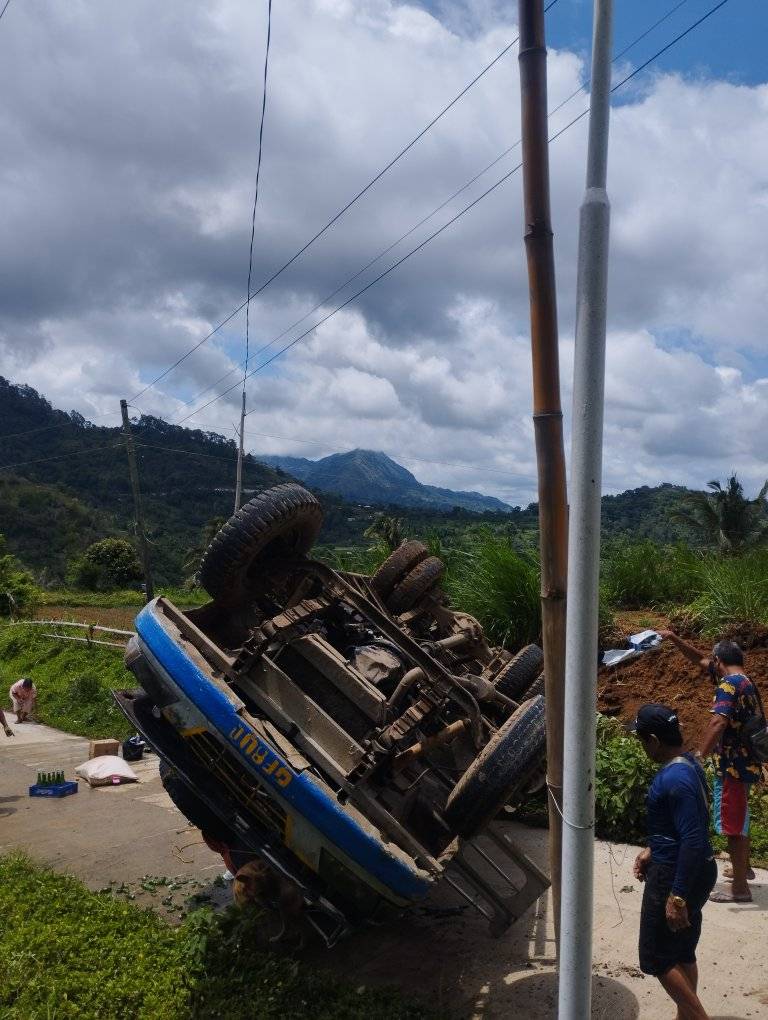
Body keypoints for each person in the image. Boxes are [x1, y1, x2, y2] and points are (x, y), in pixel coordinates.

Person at [660, 632, 761, 902]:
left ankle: (739, 888)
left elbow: (718, 722)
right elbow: (700, 660)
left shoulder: (728, 685)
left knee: (732, 824)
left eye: (712, 662)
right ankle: (745, 869)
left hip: (731, 766)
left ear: (719, 661)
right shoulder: (745, 681)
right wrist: (674, 638)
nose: (709, 666)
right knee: (740, 818)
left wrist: (698, 756)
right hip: (745, 763)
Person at [632, 703, 717, 1020]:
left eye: (642, 740)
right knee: (681, 950)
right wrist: (652, 849)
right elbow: (686, 824)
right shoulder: (690, 764)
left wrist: (677, 896)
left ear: (653, 740)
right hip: (694, 866)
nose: (643, 747)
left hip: (677, 873)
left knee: (657, 957)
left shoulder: (675, 779)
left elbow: (692, 839)